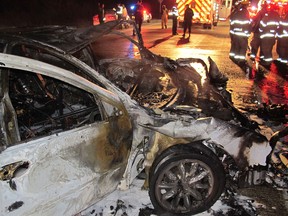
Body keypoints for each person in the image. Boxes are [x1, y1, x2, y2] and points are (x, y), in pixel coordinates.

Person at [229, 0, 251, 70]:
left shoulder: (236, 12)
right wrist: (247, 34)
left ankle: (235, 58)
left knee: (236, 46)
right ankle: (241, 60)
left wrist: (232, 34)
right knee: (243, 47)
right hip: (242, 34)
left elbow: (232, 24)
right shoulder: (245, 13)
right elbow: (247, 25)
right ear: (246, 6)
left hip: (235, 33)